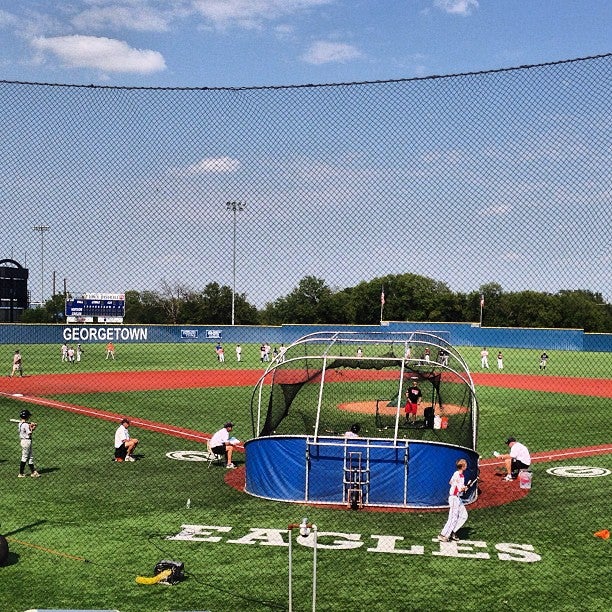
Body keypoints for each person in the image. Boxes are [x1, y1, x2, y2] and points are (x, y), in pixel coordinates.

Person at [438, 458, 469, 542]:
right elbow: (458, 489)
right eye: (465, 464)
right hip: (454, 498)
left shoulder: (458, 474)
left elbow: (451, 482)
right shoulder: (459, 475)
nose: (466, 465)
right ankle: (444, 535)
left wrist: (462, 487)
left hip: (457, 498)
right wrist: (464, 488)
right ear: (462, 466)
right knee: (453, 517)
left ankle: (452, 531)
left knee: (464, 515)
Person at [18, 409, 40, 478]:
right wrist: (31, 427)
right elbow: (29, 433)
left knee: (30, 457)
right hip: (26, 441)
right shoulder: (26, 425)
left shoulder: (20, 423)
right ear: (27, 416)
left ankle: (33, 472)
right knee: (24, 457)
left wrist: (33, 427)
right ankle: (21, 473)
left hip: (23, 441)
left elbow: (29, 431)